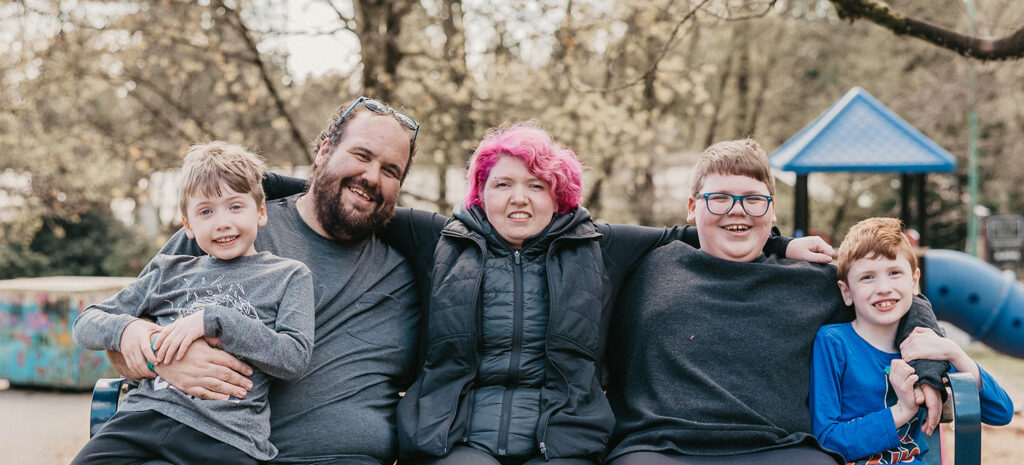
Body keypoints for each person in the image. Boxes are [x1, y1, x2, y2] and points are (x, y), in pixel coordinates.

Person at [264, 122, 835, 464]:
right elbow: (357, 191)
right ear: (480, 191)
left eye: (536, 185)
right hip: (457, 437)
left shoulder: (599, 244)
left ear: (558, 194)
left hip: (561, 439)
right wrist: (238, 189)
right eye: (502, 184)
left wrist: (782, 247)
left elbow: (691, 230)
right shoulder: (441, 238)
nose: (519, 198)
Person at [105, 97, 421, 465]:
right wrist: (161, 358)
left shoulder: (406, 275)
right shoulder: (231, 228)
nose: (371, 177)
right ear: (324, 151)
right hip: (217, 449)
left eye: (390, 170)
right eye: (362, 156)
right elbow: (119, 338)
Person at [605, 139, 951, 465]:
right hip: (660, 447)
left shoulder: (811, 281)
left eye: (753, 200)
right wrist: (779, 242)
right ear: (693, 208)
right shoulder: (647, 265)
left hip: (779, 447)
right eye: (720, 199)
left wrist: (928, 369)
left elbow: (905, 300)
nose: (737, 211)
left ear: (772, 211)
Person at [71, 142, 315, 464]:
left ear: (260, 211)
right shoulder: (168, 271)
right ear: (187, 224)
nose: (222, 222)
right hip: (143, 418)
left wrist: (214, 320)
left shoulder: (288, 276)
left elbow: (294, 358)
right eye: (206, 212)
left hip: (226, 436)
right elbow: (85, 323)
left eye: (235, 207)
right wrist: (128, 329)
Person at [810, 217, 1014, 464]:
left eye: (894, 273)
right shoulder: (834, 343)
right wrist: (901, 411)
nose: (884, 287)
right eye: (867, 277)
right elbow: (828, 439)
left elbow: (1001, 412)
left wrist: (954, 353)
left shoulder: (926, 347)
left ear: (915, 282)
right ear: (847, 292)